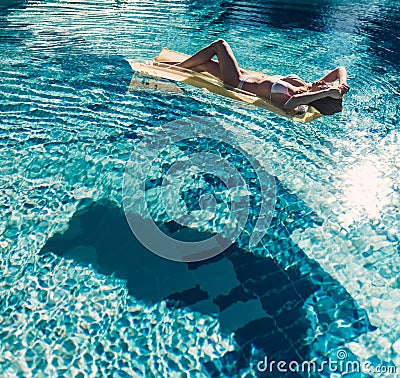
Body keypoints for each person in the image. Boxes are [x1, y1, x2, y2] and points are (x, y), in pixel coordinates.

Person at [170, 39, 350, 115]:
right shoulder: (306, 85)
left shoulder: (296, 100)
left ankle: (175, 69)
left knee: (220, 45)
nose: (325, 83)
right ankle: (169, 68)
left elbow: (290, 105)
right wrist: (341, 86)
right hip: (243, 74)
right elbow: (339, 69)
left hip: (236, 82)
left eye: (325, 87)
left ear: (318, 96)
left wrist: (325, 93)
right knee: (204, 64)